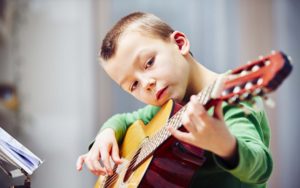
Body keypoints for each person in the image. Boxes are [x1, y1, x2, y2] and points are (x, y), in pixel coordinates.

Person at [76, 12, 273, 187]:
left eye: (149, 63)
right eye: (133, 85)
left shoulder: (232, 101)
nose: (146, 84)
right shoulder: (165, 108)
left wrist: (226, 144)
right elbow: (125, 120)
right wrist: (106, 134)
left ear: (180, 43)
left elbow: (261, 167)